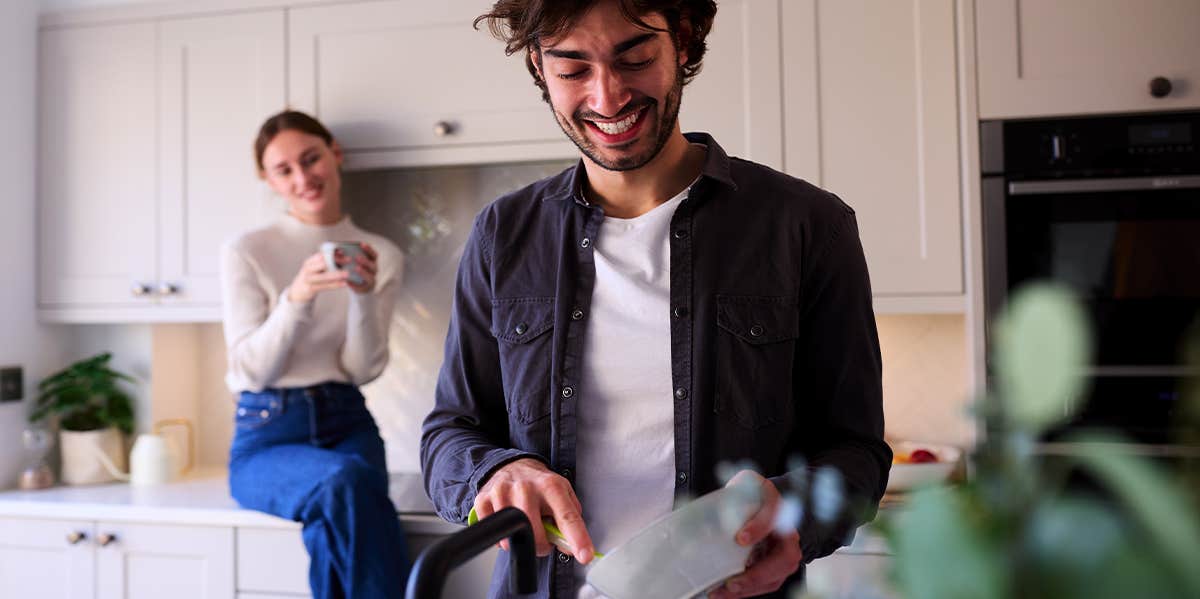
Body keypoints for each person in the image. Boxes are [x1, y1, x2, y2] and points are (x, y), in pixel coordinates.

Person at [421, 0, 891, 597]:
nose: (608, 96)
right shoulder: (504, 235)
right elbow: (449, 435)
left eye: (635, 58)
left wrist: (797, 511)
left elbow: (858, 455)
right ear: (540, 69)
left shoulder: (807, 225)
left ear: (685, 43)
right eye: (572, 70)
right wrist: (497, 472)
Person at [221, 110, 410, 599]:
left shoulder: (379, 253)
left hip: (348, 421)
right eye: (284, 170)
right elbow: (250, 370)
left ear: (335, 155)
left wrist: (362, 294)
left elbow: (362, 369)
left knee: (340, 516)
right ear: (269, 180)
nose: (304, 177)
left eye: (312, 159)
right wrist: (298, 296)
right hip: (267, 433)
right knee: (346, 485)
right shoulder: (248, 250)